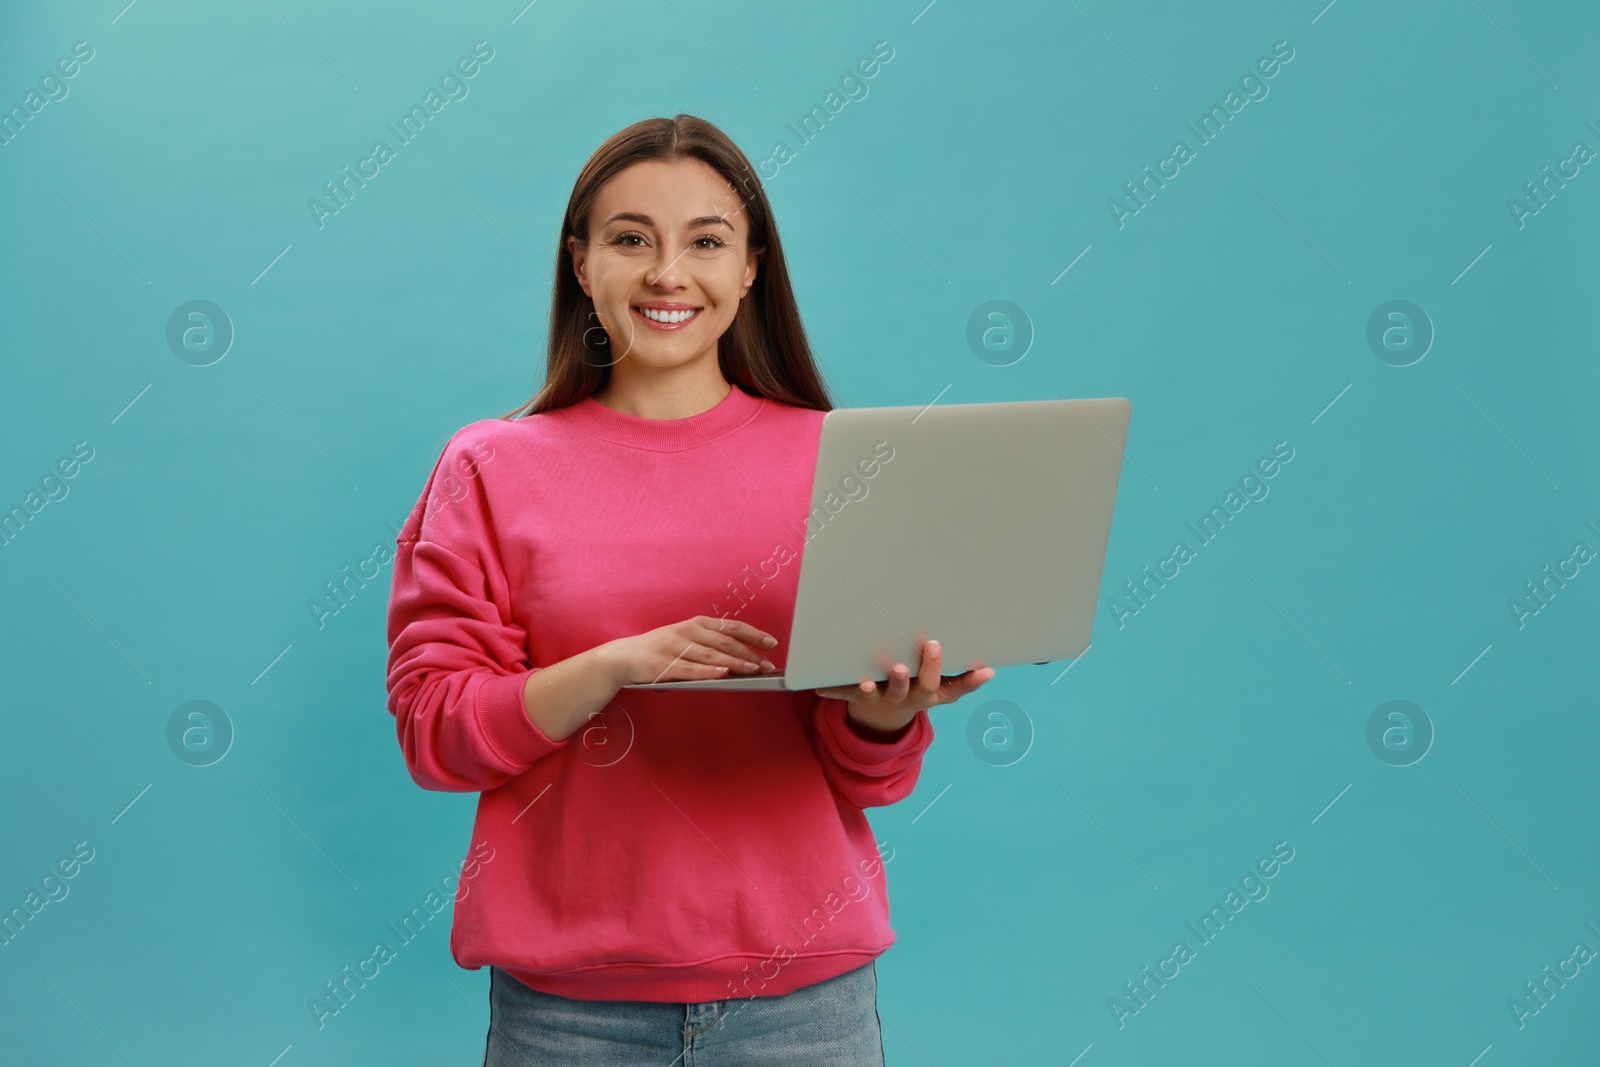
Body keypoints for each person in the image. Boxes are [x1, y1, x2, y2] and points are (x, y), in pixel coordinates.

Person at [384, 113, 995, 1066]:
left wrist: (887, 717)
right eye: (631, 239)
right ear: (581, 262)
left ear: (751, 267)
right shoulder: (486, 469)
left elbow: (869, 774)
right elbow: (435, 731)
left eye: (706, 241)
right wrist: (611, 667)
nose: (669, 273)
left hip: (806, 1006)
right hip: (569, 1013)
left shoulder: (841, 463)